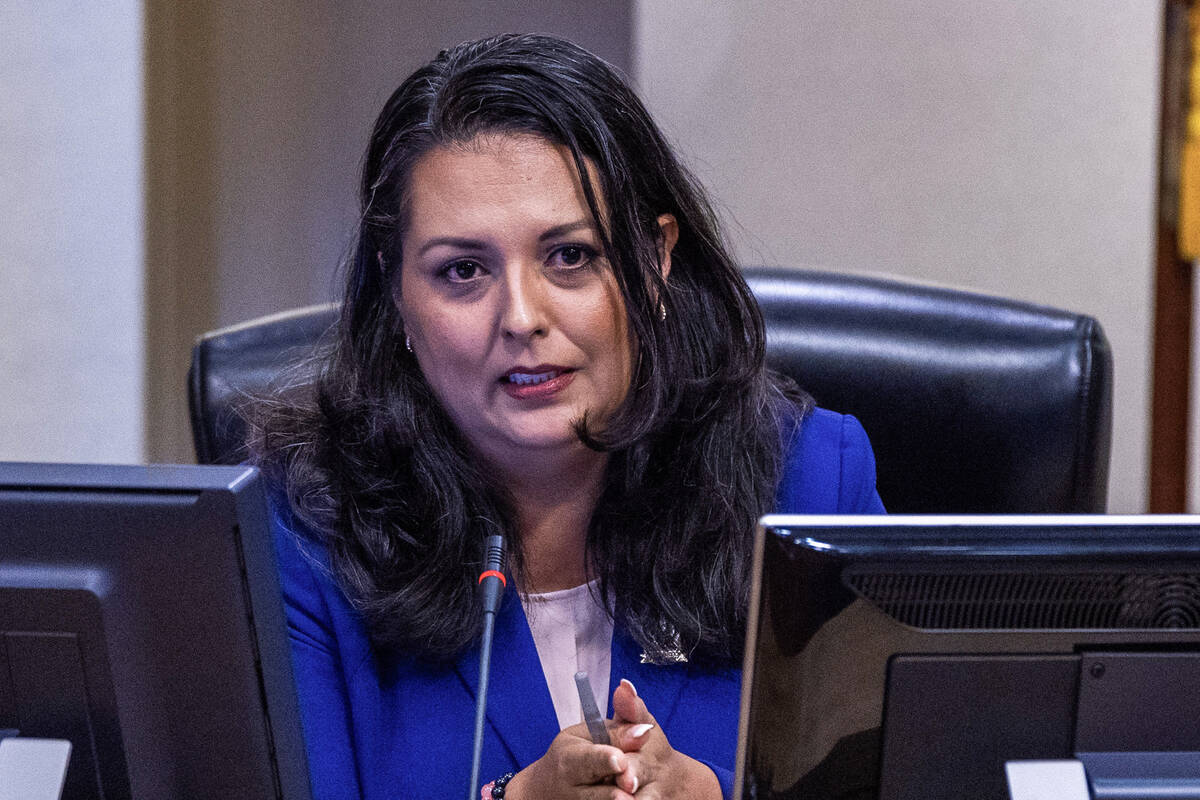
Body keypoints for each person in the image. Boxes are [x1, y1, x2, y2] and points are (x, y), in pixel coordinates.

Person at [252, 33, 885, 800]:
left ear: (654, 262)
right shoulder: (300, 531)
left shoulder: (809, 481)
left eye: (570, 258)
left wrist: (714, 796)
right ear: (396, 298)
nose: (521, 316)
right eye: (463, 270)